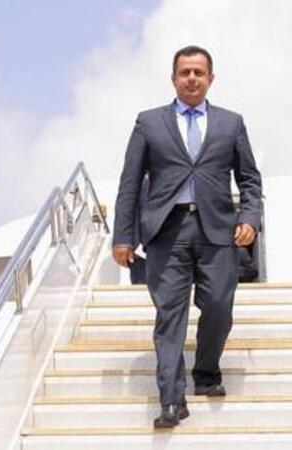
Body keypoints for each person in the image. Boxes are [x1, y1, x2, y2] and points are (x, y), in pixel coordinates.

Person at [112, 45, 262, 428]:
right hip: (167, 231)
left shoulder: (231, 123)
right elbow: (130, 182)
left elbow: (249, 178)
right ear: (173, 78)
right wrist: (123, 236)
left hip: (217, 230)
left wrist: (250, 217)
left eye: (198, 72)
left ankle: (207, 371)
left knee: (219, 305)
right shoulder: (148, 122)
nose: (191, 78)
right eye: (185, 72)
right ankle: (171, 400)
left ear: (210, 78)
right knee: (169, 315)